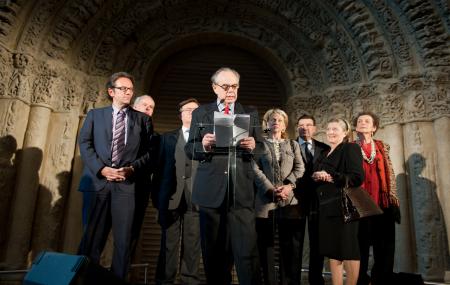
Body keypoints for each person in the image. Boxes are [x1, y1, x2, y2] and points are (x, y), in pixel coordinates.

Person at [185, 67, 262, 285]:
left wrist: (254, 145)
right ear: (214, 88)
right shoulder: (201, 113)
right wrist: (204, 145)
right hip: (211, 191)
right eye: (226, 86)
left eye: (235, 86)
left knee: (247, 251)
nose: (231, 91)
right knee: (213, 253)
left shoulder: (250, 112)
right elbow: (190, 149)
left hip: (241, 192)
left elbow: (262, 149)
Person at [78, 72, 153, 279]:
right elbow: (85, 144)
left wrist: (132, 169)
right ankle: (86, 280)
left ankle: (119, 280)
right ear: (111, 92)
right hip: (98, 184)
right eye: (123, 89)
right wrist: (101, 169)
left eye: (130, 89)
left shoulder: (143, 120)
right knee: (92, 239)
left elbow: (149, 152)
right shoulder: (95, 115)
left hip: (126, 187)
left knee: (123, 241)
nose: (128, 92)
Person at [253, 108, 305, 285]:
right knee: (265, 247)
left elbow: (300, 168)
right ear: (266, 124)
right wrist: (269, 189)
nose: (276, 122)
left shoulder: (293, 145)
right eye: (272, 120)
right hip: (264, 202)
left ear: (285, 125)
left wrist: (289, 186)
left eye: (280, 120)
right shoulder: (259, 145)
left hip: (289, 202)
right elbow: (254, 169)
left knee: (288, 247)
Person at [154, 98, 201, 285]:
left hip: (196, 199)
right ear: (180, 114)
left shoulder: (207, 139)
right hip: (170, 198)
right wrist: (157, 200)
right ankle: (165, 280)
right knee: (168, 243)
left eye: (196, 111)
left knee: (192, 244)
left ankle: (189, 280)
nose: (192, 113)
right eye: (188, 110)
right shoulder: (166, 138)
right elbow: (158, 171)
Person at [312, 118, 364, 285]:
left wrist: (332, 177)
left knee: (348, 250)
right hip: (326, 208)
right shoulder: (324, 153)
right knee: (333, 250)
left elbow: (357, 177)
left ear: (345, 132)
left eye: (335, 129)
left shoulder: (350, 148)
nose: (330, 132)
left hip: (343, 207)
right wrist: (316, 176)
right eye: (328, 129)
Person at [353, 112, 400, 285]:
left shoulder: (382, 147)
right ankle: (361, 280)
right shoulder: (349, 147)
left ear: (374, 128)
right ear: (355, 127)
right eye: (359, 121)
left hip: (383, 204)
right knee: (361, 248)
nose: (363, 123)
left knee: (384, 249)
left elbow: (391, 174)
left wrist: (393, 197)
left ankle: (381, 280)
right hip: (360, 206)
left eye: (367, 121)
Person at [296, 114, 330, 285]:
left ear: (315, 128)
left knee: (318, 242)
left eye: (309, 125)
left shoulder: (325, 148)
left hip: (318, 201)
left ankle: (316, 279)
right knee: (295, 242)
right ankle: (292, 279)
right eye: (301, 125)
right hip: (295, 201)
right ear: (297, 127)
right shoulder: (290, 145)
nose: (305, 128)